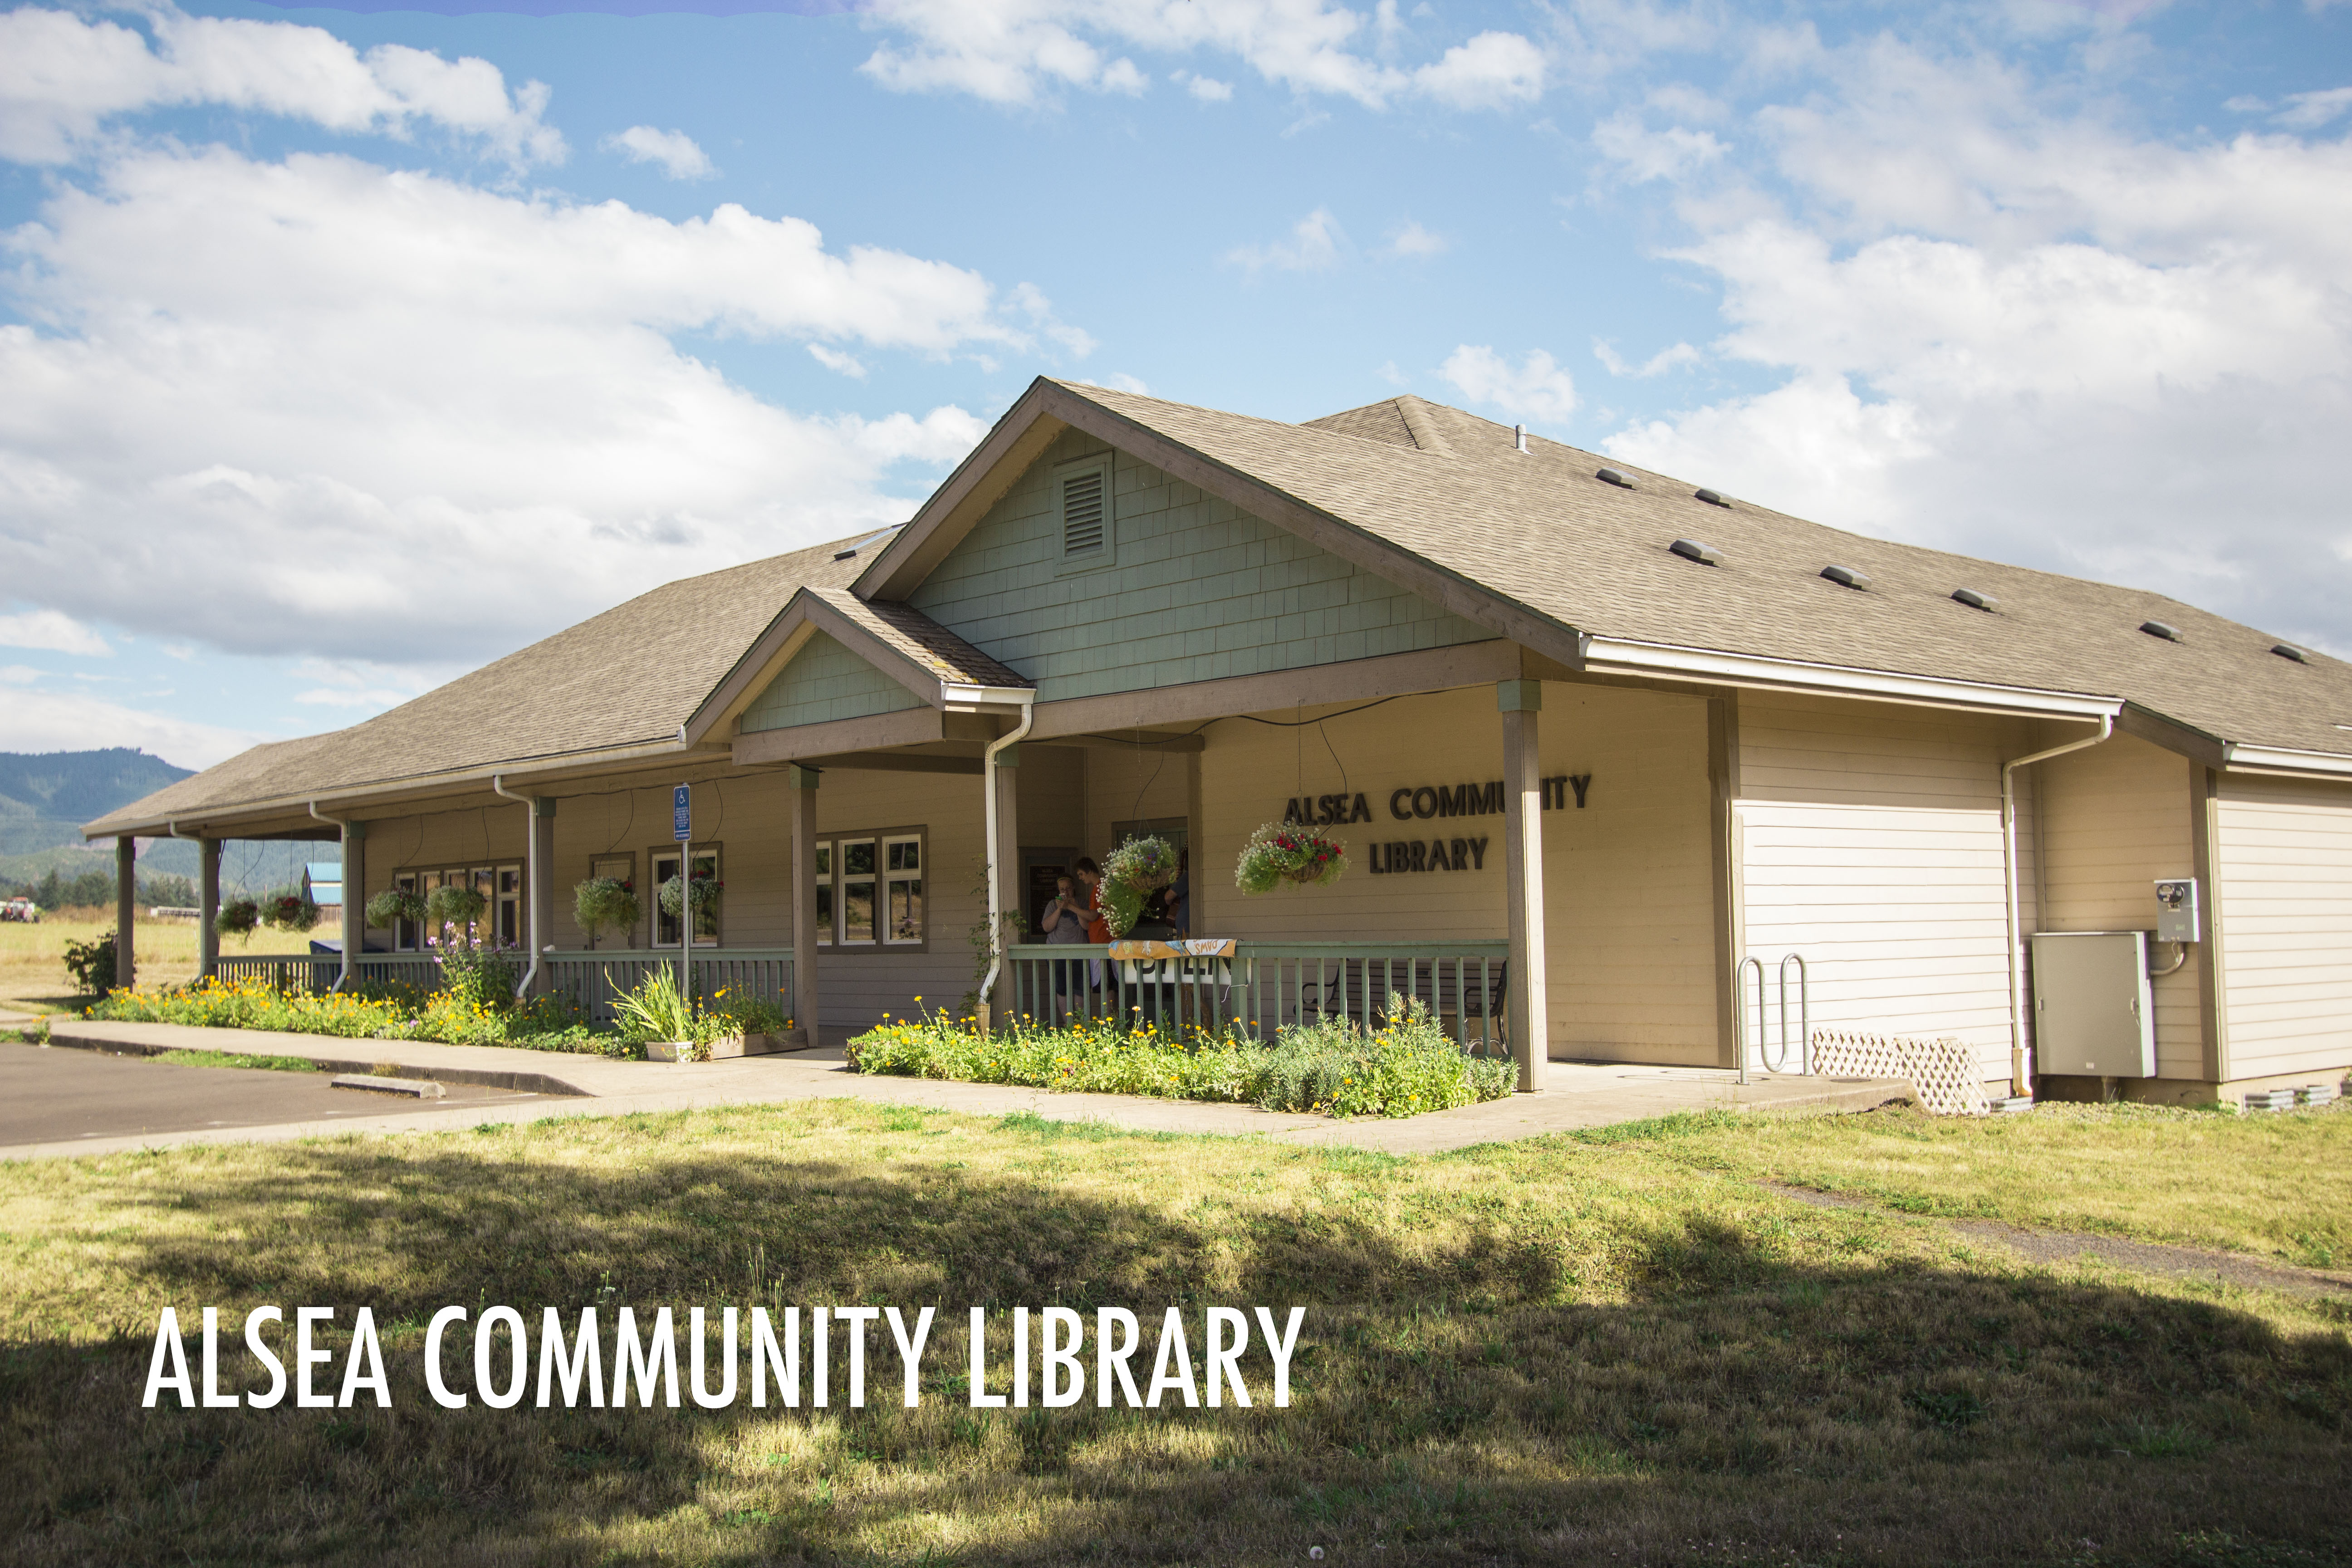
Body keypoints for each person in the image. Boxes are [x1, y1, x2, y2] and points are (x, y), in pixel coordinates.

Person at [1041, 873, 1088, 1019]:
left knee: (1080, 989)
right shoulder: (1052, 904)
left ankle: (1080, 1025)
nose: (1065, 892)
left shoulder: (1082, 903)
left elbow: (1086, 926)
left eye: (1068, 888)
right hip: (1057, 953)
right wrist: (1060, 909)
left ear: (1074, 888)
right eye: (1062, 889)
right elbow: (1047, 927)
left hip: (1080, 953)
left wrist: (1073, 907)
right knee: (1062, 989)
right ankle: (1069, 1025)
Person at [1074, 857, 1107, 992]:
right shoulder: (1099, 887)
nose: (1081, 878)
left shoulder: (1099, 887)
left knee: (1106, 986)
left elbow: (1093, 916)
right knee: (1104, 986)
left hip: (1103, 942)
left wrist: (1071, 907)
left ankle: (1109, 1014)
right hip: (1099, 942)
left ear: (1089, 871)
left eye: (1081, 874)